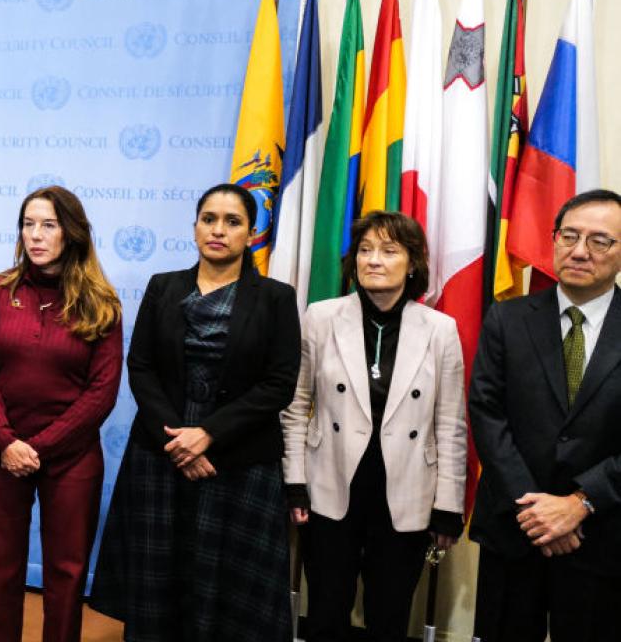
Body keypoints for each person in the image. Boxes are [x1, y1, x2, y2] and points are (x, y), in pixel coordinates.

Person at [90, 183, 300, 642]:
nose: (218, 230)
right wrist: (178, 439)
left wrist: (208, 434)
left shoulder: (276, 298)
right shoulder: (163, 286)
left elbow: (279, 384)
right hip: (161, 450)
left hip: (238, 457)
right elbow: (141, 366)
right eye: (209, 219)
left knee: (229, 583)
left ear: (251, 233)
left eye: (232, 221)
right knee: (160, 574)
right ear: (195, 228)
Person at [281, 211, 467, 642]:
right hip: (330, 487)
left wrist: (448, 505)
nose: (374, 260)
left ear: (412, 263)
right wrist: (295, 482)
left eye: (388, 250)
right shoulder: (320, 317)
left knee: (389, 616)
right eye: (365, 250)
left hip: (406, 492)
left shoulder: (440, 329)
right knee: (326, 612)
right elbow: (295, 406)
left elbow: (451, 424)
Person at [0, 185, 122, 642]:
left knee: (66, 573)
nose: (35, 235)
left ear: (71, 233)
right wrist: (5, 442)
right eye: (28, 224)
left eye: (48, 225)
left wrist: (38, 448)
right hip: (0, 451)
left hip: (72, 457)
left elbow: (102, 392)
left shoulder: (102, 302)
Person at [469, 189, 621, 642]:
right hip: (515, 532)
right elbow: (487, 413)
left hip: (604, 535)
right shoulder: (506, 319)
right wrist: (537, 512)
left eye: (599, 241)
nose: (579, 251)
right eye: (569, 235)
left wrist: (580, 503)